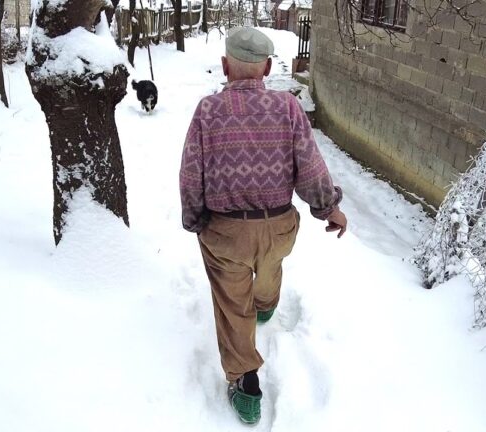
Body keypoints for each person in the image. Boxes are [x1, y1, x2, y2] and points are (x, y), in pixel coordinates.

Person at [179, 27, 347, 425]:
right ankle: (267, 304)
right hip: (278, 227)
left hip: (226, 232)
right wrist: (329, 209)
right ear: (268, 67)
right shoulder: (288, 108)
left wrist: (194, 219)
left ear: (225, 65)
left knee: (232, 303)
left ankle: (245, 383)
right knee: (270, 263)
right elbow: (310, 166)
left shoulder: (207, 111)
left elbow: (190, 175)